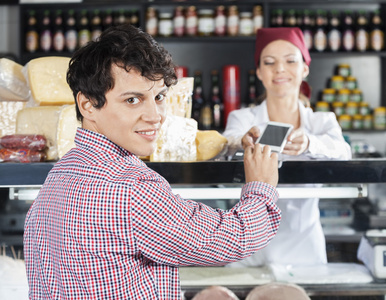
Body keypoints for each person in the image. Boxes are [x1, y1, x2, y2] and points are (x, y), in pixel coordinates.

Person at [23, 24, 281, 299]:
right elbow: (234, 239)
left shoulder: (61, 172)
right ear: (88, 105)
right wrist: (260, 187)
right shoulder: (132, 188)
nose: (155, 115)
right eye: (133, 99)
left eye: (158, 97)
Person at [223, 27, 352, 268]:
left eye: (290, 61)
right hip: (248, 242)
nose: (280, 69)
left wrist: (310, 143)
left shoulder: (321, 122)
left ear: (304, 68)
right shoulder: (243, 119)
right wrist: (240, 141)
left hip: (303, 245)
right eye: (269, 63)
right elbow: (225, 143)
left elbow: (344, 152)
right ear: (259, 72)